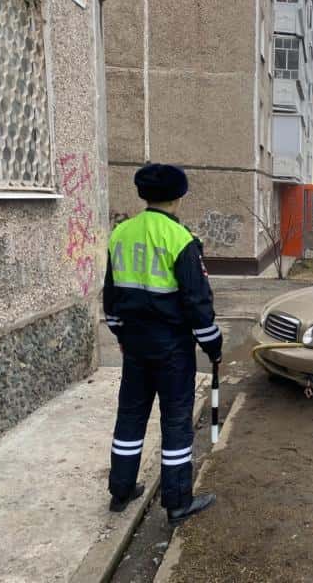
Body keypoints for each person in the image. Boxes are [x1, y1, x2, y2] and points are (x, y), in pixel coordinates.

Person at [103, 163, 222, 526]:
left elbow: (110, 297)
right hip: (171, 348)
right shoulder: (179, 239)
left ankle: (121, 491)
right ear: (179, 196)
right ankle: (177, 502)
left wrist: (121, 335)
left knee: (130, 416)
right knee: (175, 423)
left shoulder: (120, 233)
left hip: (135, 346)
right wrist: (213, 345)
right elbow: (197, 303)